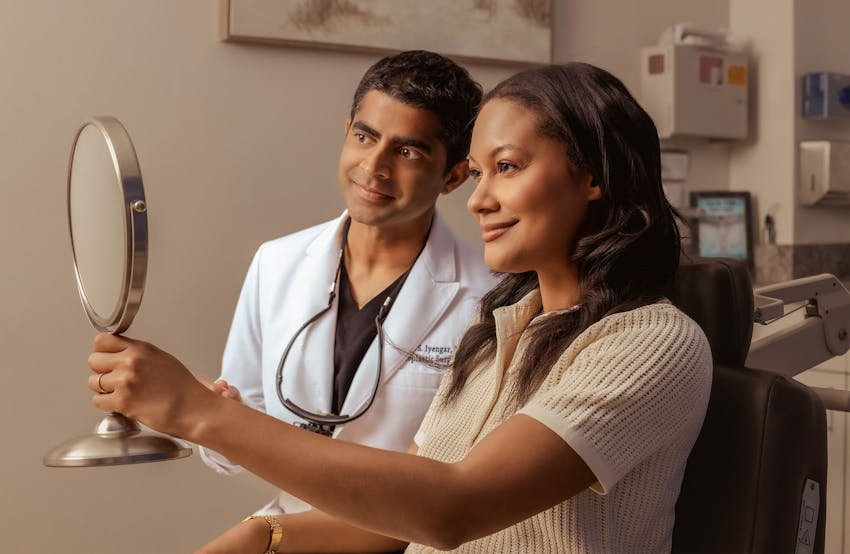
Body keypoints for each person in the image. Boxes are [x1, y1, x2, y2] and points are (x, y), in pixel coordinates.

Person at [87, 62, 713, 553]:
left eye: (508, 167)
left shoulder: (651, 343)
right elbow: (398, 521)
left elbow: (452, 507)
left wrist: (199, 414)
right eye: (483, 174)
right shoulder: (498, 332)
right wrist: (264, 537)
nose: (478, 201)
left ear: (592, 176)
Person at [197, 49, 496, 520]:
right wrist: (214, 416)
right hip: (289, 531)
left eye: (407, 151)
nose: (374, 166)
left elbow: (464, 479)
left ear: (454, 176)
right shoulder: (276, 263)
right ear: (346, 133)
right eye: (365, 137)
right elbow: (232, 449)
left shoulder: (491, 298)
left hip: (411, 543)